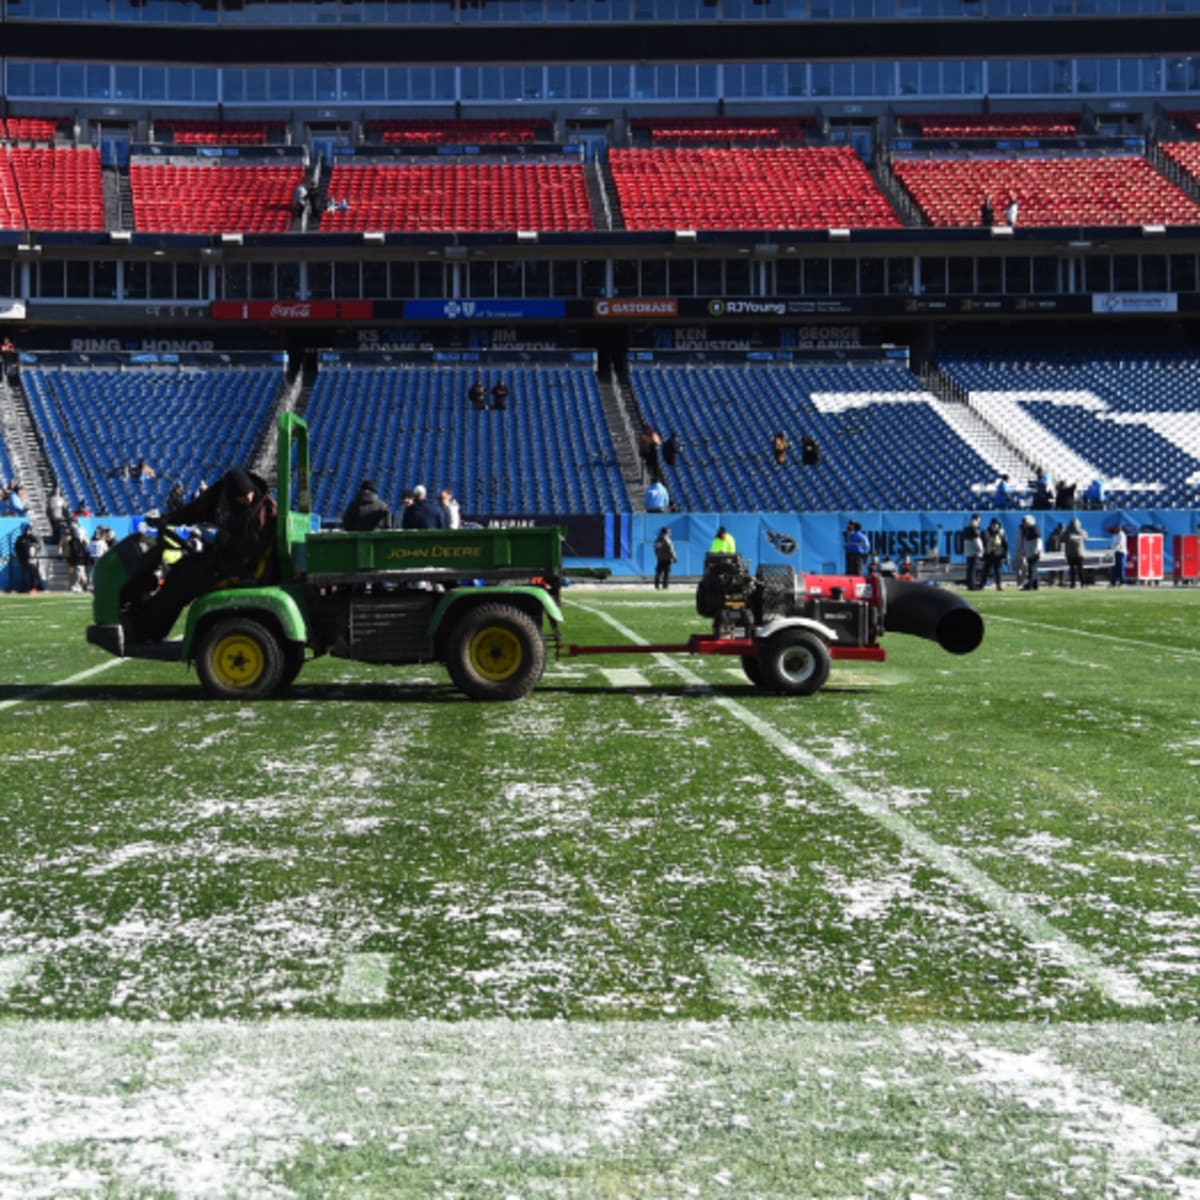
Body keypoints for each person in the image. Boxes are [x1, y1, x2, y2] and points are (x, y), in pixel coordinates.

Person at [125, 467, 278, 644]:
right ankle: (150, 629)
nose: (248, 499)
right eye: (242, 496)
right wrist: (169, 519)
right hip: (222, 558)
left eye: (249, 494)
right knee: (180, 570)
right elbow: (193, 511)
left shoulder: (263, 508)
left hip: (240, 565)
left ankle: (142, 630)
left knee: (182, 580)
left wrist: (222, 538)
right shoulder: (218, 496)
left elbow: (253, 547)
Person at [62, 520, 91, 593]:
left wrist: (82, 538)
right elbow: (62, 543)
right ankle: (71, 586)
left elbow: (87, 543)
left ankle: (84, 586)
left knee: (81, 572)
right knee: (71, 572)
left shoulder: (81, 537)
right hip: (70, 556)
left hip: (79, 556)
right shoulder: (68, 536)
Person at [980, 517, 1008, 590]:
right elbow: (984, 543)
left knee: (998, 570)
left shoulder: (1001, 532)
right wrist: (983, 553)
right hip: (989, 553)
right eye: (994, 525)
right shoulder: (986, 532)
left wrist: (1005, 555)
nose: (995, 526)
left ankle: (999, 585)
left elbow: (1005, 544)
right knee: (986, 570)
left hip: (998, 554)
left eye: (996, 525)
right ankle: (982, 584)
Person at [13, 524, 43, 592]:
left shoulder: (33, 538)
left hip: (32, 559)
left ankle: (33, 587)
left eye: (29, 530)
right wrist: (19, 555)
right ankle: (22, 588)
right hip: (23, 559)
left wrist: (35, 554)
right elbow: (16, 548)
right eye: (27, 530)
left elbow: (39, 547)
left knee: (33, 574)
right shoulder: (20, 538)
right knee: (22, 574)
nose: (28, 532)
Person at [1018, 515, 1043, 590]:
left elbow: (1038, 539)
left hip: (1034, 550)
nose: (1024, 524)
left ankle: (1031, 585)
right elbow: (1025, 541)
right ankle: (1035, 584)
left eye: (1025, 522)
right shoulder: (1026, 529)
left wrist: (1038, 550)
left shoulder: (1034, 528)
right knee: (1032, 568)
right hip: (1029, 550)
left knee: (1032, 568)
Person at [962, 512, 985, 591]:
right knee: (973, 569)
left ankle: (969, 584)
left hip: (968, 550)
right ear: (977, 518)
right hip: (974, 550)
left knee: (969, 568)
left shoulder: (967, 526)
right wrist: (981, 549)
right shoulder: (974, 527)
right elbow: (976, 539)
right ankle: (972, 585)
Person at [1064, 517, 1088, 588]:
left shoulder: (1067, 532)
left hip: (1070, 553)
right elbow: (1086, 538)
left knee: (1072, 570)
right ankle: (1082, 583)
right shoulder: (1082, 532)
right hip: (1080, 553)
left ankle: (1073, 584)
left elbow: (1062, 539)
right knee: (1080, 569)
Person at [1046, 521, 1066, 586]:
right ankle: (1052, 580)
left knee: (1062, 568)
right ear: (1058, 528)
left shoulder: (1065, 534)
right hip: (1054, 553)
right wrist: (1049, 551)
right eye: (1061, 528)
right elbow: (1048, 543)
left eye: (1063, 528)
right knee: (1053, 568)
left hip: (1062, 553)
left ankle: (1061, 581)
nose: (1062, 529)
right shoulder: (1053, 534)